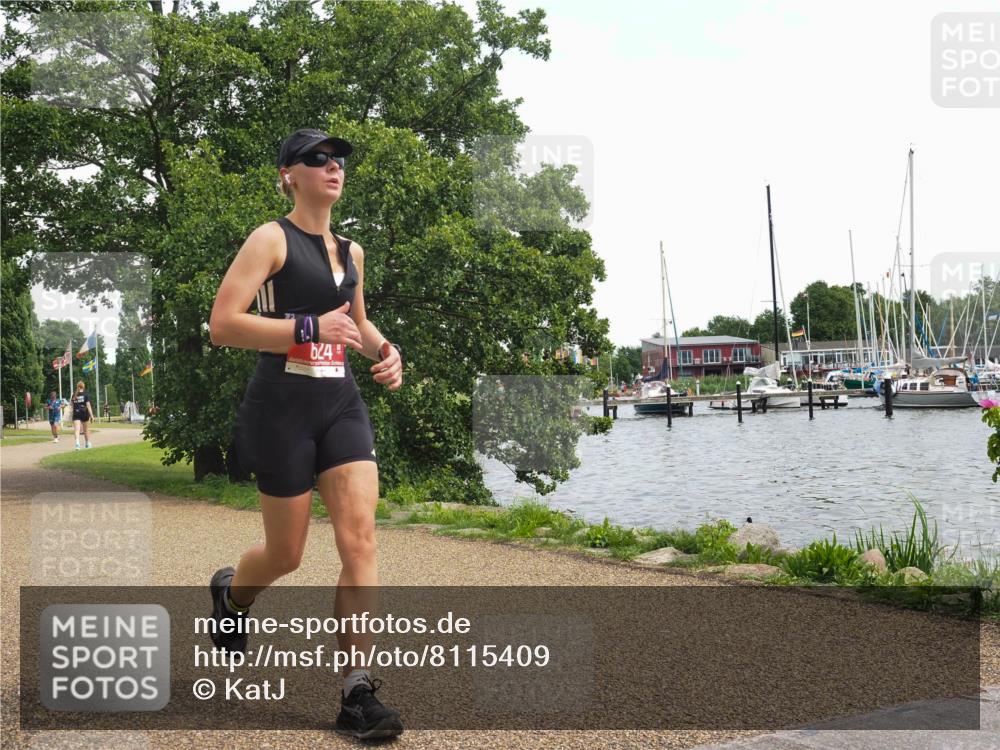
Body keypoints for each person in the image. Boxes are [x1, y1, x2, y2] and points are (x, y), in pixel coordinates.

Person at [208, 128, 404, 740]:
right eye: (318, 158)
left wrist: (385, 349)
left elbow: (359, 325)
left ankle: (356, 692)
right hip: (282, 406)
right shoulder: (271, 238)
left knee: (360, 540)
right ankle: (232, 597)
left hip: (340, 402)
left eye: (338, 158)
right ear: (289, 173)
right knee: (286, 554)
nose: (333, 166)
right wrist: (305, 327)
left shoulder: (353, 251)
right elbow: (223, 325)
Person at [70, 380, 94, 450]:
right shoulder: (85, 394)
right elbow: (88, 406)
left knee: (76, 430)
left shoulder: (74, 395)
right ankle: (87, 443)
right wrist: (92, 415)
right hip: (84, 413)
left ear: (77, 387)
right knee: (86, 430)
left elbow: (71, 405)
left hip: (76, 413)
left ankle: (77, 444)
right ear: (83, 387)